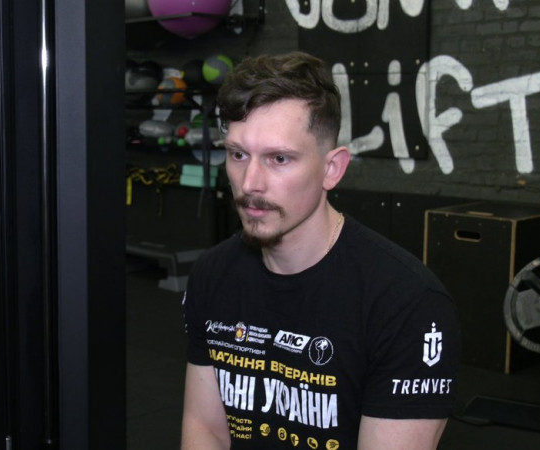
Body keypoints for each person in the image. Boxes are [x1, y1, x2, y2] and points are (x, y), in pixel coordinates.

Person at [181, 51, 460, 449]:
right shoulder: (212, 274)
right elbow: (206, 428)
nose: (250, 183)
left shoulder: (408, 304)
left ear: (332, 169)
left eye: (279, 158)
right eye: (238, 154)